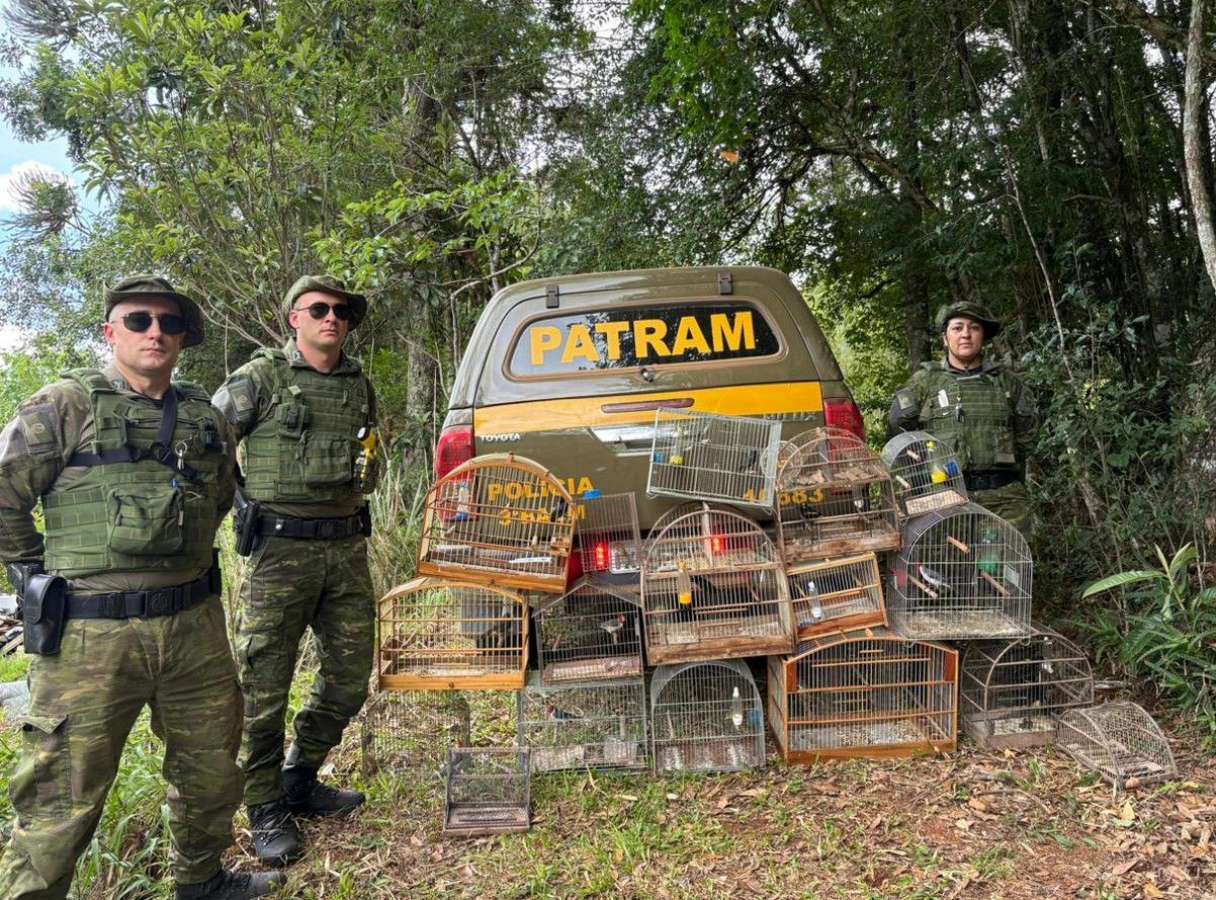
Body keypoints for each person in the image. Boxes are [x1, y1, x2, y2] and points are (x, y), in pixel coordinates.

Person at [0, 276, 283, 900]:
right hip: (88, 636)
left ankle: (201, 880)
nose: (155, 332)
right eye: (139, 320)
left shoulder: (206, 418)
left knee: (211, 769)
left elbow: (219, 496)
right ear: (111, 331)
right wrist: (32, 572)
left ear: (183, 338)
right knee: (62, 793)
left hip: (193, 627)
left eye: (169, 322)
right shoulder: (64, 405)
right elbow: (4, 493)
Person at [212, 275, 379, 867]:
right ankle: (264, 806)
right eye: (320, 309)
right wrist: (239, 501)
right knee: (264, 686)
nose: (332, 318)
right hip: (279, 553)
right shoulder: (261, 377)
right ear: (295, 319)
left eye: (342, 311)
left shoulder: (358, 384)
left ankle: (300, 777)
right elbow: (209, 438)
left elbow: (368, 451)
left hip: (346, 550)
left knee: (351, 676)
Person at [888, 302, 1038, 531]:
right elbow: (899, 436)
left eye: (974, 328)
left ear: (983, 336)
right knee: (946, 555)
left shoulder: (1007, 383)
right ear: (945, 338)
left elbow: (1027, 436)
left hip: (1003, 499)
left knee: (1007, 555)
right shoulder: (924, 383)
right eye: (957, 328)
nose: (966, 334)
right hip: (942, 499)